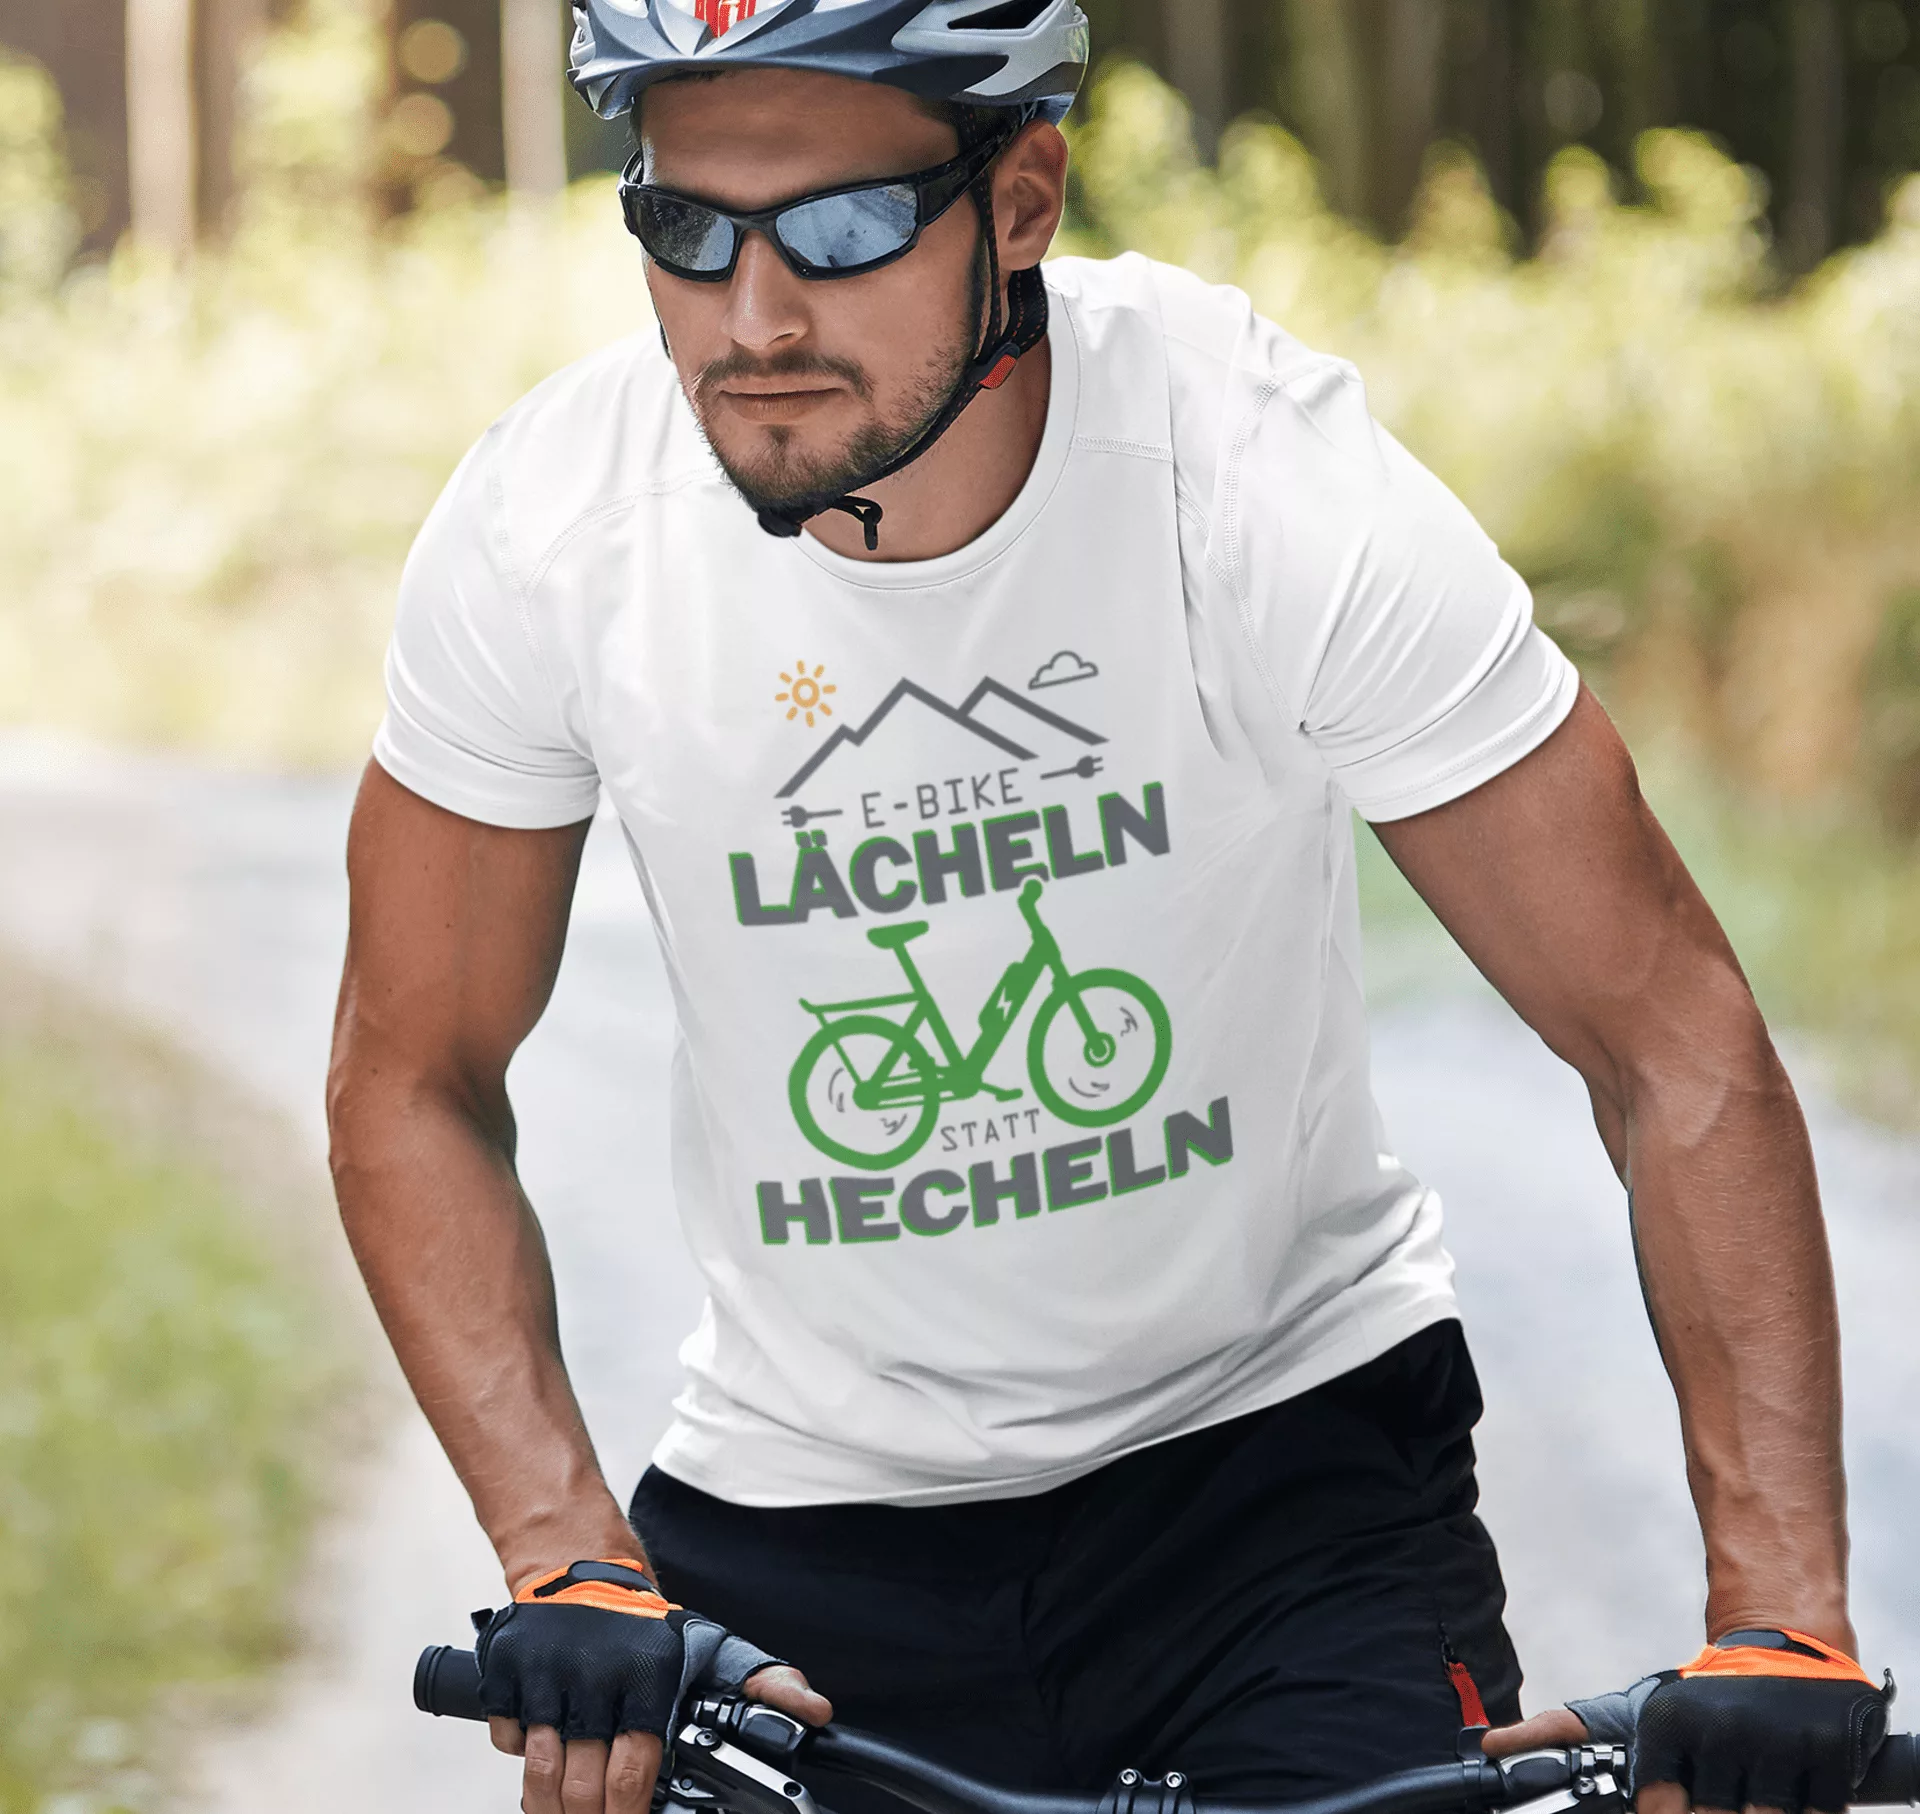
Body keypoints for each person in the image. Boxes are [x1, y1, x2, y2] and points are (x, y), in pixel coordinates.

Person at [325, 5, 1888, 1814]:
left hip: (1285, 1487)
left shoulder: (1256, 475)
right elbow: (410, 1074)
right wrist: (566, 1553)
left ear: (1023, 201)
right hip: (803, 1520)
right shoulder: (554, 530)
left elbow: (1668, 1032)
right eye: (686, 227)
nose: (752, 319)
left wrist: (1781, 1616)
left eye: (841, 228)